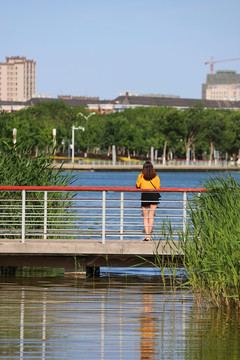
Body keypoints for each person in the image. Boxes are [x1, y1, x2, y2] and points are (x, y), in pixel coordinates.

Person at [136, 161, 161, 241]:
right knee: (151, 216)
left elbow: (137, 185)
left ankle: (147, 236)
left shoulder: (141, 175)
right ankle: (149, 235)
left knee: (145, 217)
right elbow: (158, 187)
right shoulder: (155, 175)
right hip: (154, 195)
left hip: (145, 195)